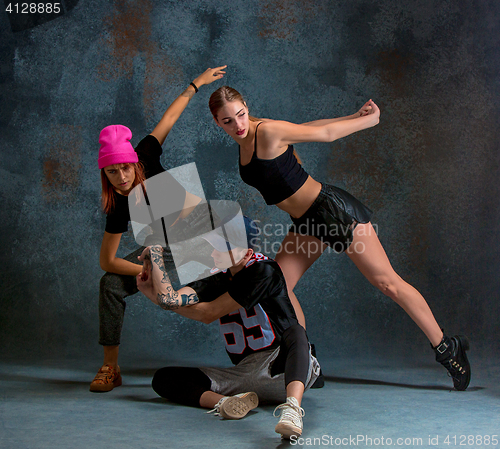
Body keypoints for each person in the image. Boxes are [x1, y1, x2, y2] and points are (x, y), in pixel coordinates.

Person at [207, 86, 471, 391]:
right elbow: (305, 130)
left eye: (240, 114)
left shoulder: (264, 131)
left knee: (387, 283)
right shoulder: (249, 138)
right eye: (227, 121)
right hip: (306, 222)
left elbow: (328, 133)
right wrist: (351, 114)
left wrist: (367, 121)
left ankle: (446, 348)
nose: (237, 124)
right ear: (217, 122)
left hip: (333, 214)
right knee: (279, 285)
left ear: (246, 107)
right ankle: (302, 361)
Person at [90, 66, 227, 393]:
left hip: (198, 233)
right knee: (110, 283)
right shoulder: (117, 202)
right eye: (111, 172)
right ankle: (110, 367)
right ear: (104, 174)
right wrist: (146, 268)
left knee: (235, 283)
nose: (121, 177)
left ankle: (272, 348)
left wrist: (196, 84)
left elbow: (168, 118)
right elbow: (107, 260)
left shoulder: (146, 156)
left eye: (124, 168)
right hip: (161, 247)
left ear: (134, 162)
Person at [136, 215, 320, 439]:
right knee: (164, 379)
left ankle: (292, 410)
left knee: (296, 333)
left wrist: (157, 296)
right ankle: (226, 403)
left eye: (225, 246)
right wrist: (155, 259)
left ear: (248, 253)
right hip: (245, 375)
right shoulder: (218, 278)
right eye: (215, 245)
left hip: (282, 366)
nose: (215, 251)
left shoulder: (265, 271)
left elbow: (208, 313)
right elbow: (170, 299)